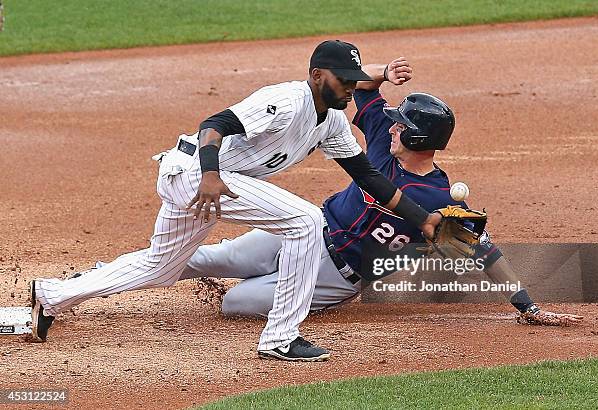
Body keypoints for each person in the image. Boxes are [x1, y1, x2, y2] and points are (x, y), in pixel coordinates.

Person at [30, 41, 443, 362]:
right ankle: (281, 338)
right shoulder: (284, 100)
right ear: (317, 76)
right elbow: (215, 124)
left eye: (355, 79)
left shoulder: (332, 121)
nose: (352, 87)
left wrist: (421, 218)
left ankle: (51, 295)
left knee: (160, 268)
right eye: (343, 79)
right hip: (197, 173)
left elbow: (368, 176)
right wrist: (209, 175)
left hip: (209, 181)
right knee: (304, 221)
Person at [178, 60, 584, 326]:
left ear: (416, 136)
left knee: (235, 304)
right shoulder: (379, 140)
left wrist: (528, 306)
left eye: (399, 124)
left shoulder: (439, 199)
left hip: (336, 276)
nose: (390, 126)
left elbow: (486, 253)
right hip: (308, 230)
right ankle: (116, 272)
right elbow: (363, 87)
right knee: (211, 258)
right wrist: (385, 71)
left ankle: (286, 289)